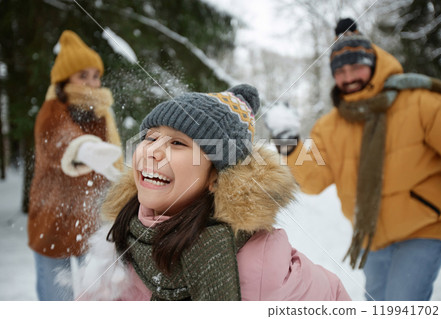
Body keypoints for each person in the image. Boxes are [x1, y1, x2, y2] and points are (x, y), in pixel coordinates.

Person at [75, 84, 351, 301]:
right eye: (150, 137)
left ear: (215, 177)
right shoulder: (121, 238)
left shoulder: (261, 262)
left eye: (178, 143)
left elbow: (334, 295)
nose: (152, 151)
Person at [266, 18, 441, 301]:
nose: (349, 76)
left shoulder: (420, 102)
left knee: (402, 302)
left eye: (357, 66)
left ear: (373, 64)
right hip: (372, 235)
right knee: (376, 302)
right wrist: (289, 146)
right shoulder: (330, 126)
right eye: (341, 70)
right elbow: (314, 180)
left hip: (425, 227)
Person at [28, 30, 123, 301]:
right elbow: (61, 138)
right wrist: (86, 149)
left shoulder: (102, 115)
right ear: (64, 80)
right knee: (56, 300)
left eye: (95, 75)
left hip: (89, 225)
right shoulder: (52, 110)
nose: (92, 83)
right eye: (83, 76)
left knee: (92, 301)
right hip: (52, 224)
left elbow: (111, 163)